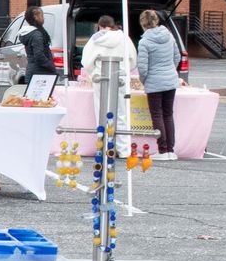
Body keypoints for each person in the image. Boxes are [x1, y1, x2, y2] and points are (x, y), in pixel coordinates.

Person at [136, 10, 183, 162]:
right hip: (170, 80)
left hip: (154, 82)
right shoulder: (169, 36)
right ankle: (170, 149)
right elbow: (177, 56)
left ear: (143, 23)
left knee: (157, 115)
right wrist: (171, 70)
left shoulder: (144, 42)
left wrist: (144, 81)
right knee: (168, 114)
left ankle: (162, 149)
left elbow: (143, 68)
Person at [77, 14, 138, 86]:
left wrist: (93, 72)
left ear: (99, 26)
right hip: (121, 78)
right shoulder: (124, 38)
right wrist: (126, 69)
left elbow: (86, 62)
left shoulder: (94, 40)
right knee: (121, 97)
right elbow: (133, 60)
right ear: (112, 25)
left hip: (100, 78)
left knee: (100, 97)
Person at [15, 6, 58, 82]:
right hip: (40, 74)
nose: (43, 18)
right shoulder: (36, 34)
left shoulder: (30, 33)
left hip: (34, 72)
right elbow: (39, 55)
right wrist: (51, 66)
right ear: (35, 17)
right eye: (41, 15)